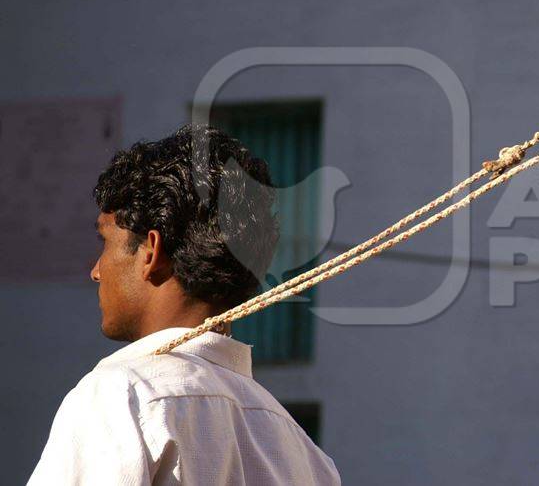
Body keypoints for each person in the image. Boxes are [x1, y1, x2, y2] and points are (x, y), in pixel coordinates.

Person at [28, 125, 341, 485]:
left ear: (151, 252)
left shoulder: (124, 396)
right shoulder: (305, 453)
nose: (96, 271)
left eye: (105, 241)